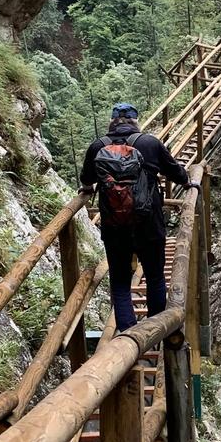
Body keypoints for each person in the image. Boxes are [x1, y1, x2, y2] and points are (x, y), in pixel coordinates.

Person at [80, 103, 198, 331]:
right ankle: (152, 332)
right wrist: (187, 182)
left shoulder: (98, 146)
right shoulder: (149, 143)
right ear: (135, 121)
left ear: (112, 121)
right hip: (149, 223)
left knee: (121, 282)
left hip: (114, 227)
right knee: (155, 277)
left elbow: (87, 179)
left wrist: (89, 188)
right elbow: (174, 170)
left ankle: (126, 332)